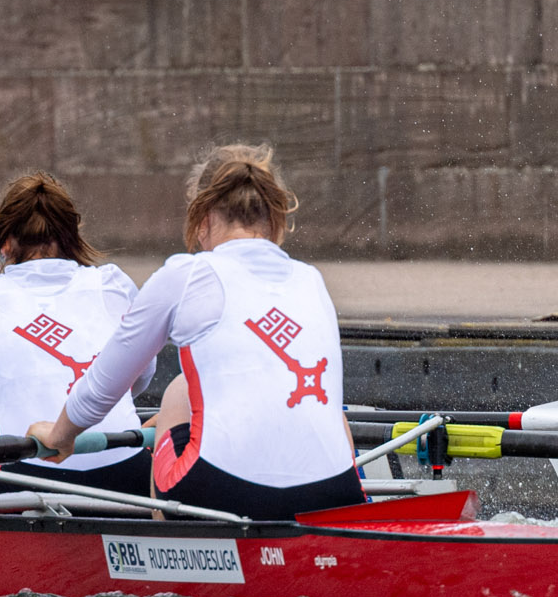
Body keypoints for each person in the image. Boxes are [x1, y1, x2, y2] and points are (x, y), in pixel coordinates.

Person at [28, 144, 363, 521]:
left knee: (179, 391)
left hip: (225, 494)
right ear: (277, 221)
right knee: (326, 407)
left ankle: (163, 564)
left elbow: (104, 386)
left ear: (202, 218)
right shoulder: (312, 280)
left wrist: (58, 436)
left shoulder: (186, 274)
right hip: (336, 496)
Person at [0, 173, 152, 501]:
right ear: (70, 238)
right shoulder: (115, 285)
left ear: (5, 243)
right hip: (128, 477)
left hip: (27, 483)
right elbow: (139, 378)